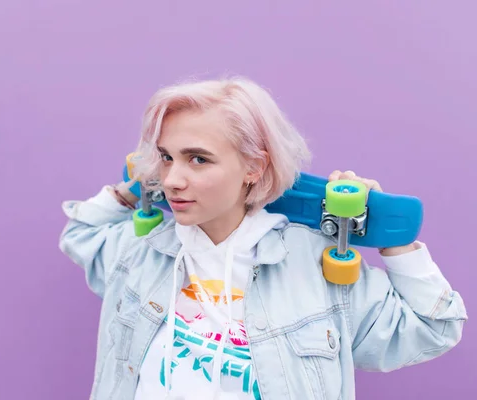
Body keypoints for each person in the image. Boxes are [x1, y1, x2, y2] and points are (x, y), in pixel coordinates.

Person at [59, 77, 467, 400]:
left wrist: (386, 234)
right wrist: (132, 187)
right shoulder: (140, 252)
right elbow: (80, 232)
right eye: (166, 157)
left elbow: (434, 328)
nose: (172, 180)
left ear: (254, 166)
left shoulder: (317, 268)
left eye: (198, 159)